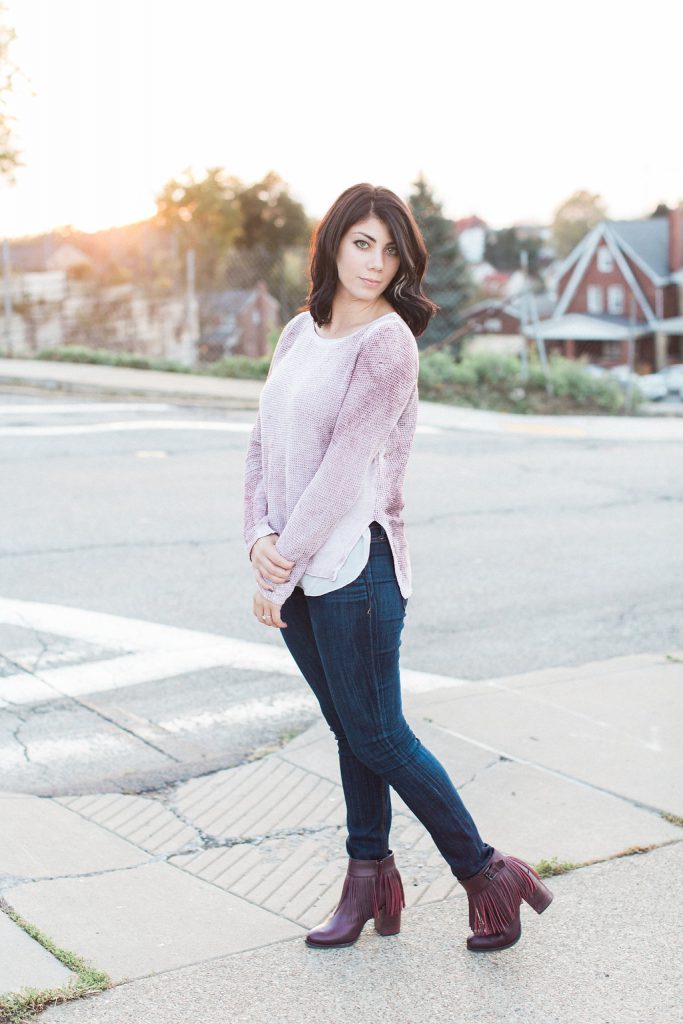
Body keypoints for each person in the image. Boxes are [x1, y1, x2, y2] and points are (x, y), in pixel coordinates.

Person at [243, 182, 553, 952]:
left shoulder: (387, 344)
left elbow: (346, 468)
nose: (374, 262)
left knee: (377, 734)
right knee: (351, 731)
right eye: (360, 243)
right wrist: (255, 537)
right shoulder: (295, 334)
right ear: (332, 243)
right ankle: (369, 880)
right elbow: (261, 446)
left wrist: (278, 567)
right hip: (295, 564)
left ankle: (487, 873)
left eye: (389, 250)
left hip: (355, 565)